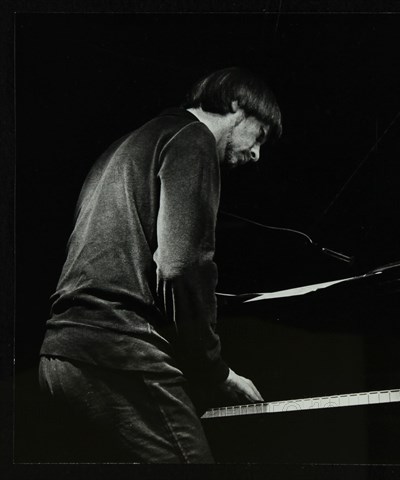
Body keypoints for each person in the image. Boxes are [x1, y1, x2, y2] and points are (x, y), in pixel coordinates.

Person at [38, 67, 283, 463]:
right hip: (115, 351)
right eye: (260, 135)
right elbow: (181, 265)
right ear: (238, 105)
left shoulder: (122, 148)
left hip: (59, 359)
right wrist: (215, 369)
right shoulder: (194, 139)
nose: (257, 153)